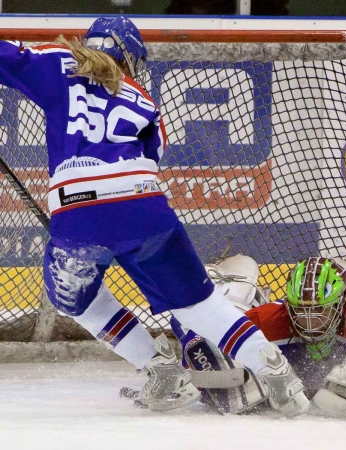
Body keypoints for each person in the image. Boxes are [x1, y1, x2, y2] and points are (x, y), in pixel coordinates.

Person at [0, 16, 310, 417]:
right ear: (129, 56)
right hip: (147, 209)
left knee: (78, 302)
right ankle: (278, 373)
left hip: (80, 215)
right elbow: (150, 161)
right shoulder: (143, 98)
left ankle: (162, 372)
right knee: (198, 305)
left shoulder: (60, 62)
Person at [171, 255, 346, 419]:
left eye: (320, 310)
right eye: (299, 310)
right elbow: (200, 334)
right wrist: (209, 369)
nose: (308, 320)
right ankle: (225, 282)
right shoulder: (267, 320)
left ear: (343, 304)